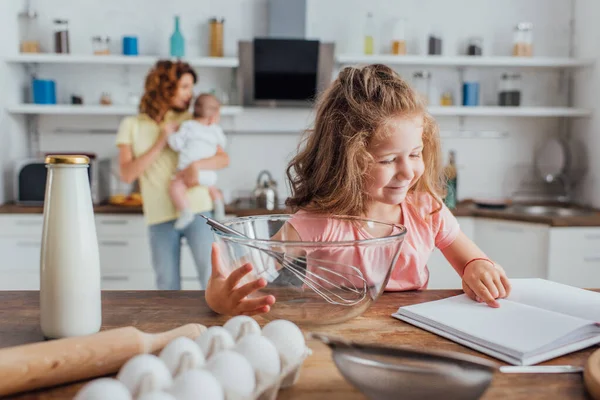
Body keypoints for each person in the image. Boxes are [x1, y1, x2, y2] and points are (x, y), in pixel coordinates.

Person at [204, 64, 511, 316]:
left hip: (412, 337)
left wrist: (477, 268)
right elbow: (251, 269)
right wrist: (220, 296)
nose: (407, 172)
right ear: (346, 161)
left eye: (415, 154)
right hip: (335, 333)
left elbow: (472, 260)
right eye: (389, 160)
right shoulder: (319, 221)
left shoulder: (426, 211)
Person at [116, 60, 229, 290]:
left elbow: (222, 159)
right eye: (185, 87)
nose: (191, 94)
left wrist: (196, 166)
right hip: (159, 217)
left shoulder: (190, 121)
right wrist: (161, 141)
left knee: (213, 279)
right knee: (167, 287)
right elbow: (127, 174)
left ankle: (215, 328)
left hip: (197, 209)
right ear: (166, 86)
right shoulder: (131, 125)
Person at [168, 93, 227, 230]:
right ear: (213, 117)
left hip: (186, 172)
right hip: (208, 175)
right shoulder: (215, 130)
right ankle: (219, 207)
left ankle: (185, 211)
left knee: (175, 187)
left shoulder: (188, 126)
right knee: (212, 189)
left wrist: (170, 134)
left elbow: (176, 144)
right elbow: (222, 144)